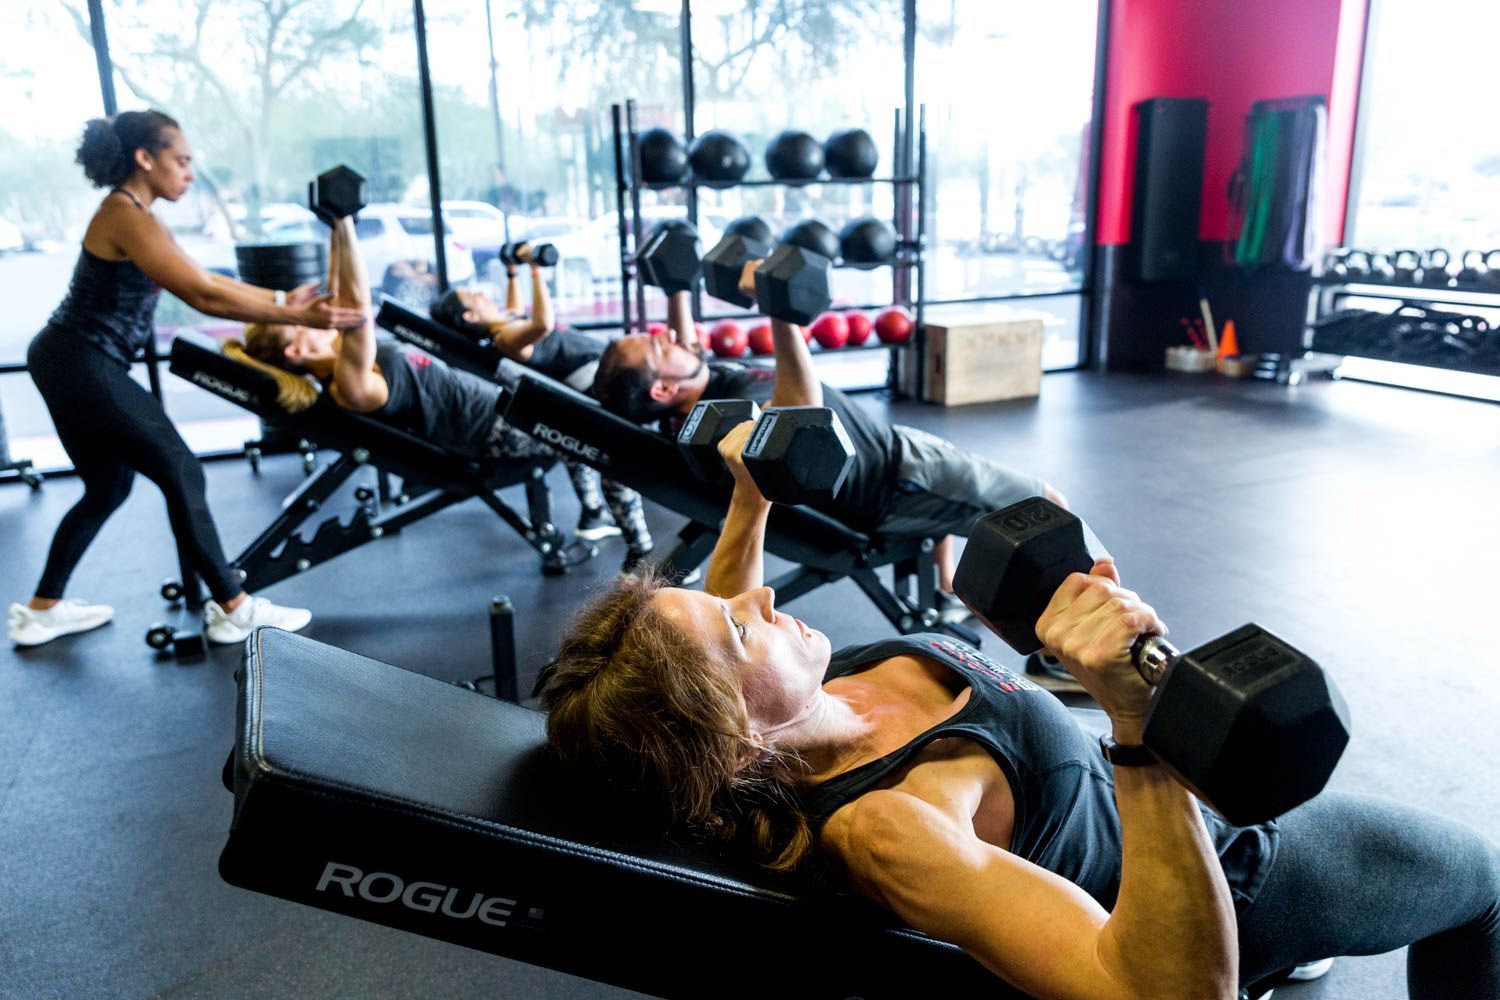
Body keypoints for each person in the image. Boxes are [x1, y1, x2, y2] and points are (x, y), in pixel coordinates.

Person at [541, 380, 1500, 1000]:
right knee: (1488, 887)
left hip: (1156, 811)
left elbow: (714, 617)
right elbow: (1163, 995)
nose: (756, 596)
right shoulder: (894, 829)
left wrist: (750, 497)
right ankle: (1282, 945)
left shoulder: (789, 708)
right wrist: (1135, 724)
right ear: (732, 733)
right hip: (1220, 880)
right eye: (741, 625)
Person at [8, 110, 363, 649]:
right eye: (181, 161)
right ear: (144, 159)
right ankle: (233, 608)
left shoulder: (139, 214)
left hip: (70, 359)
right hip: (81, 359)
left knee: (108, 487)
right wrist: (298, 317)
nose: (190, 173)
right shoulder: (123, 213)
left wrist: (278, 300)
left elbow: (205, 279)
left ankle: (40, 611)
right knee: (179, 467)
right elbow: (202, 295)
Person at [590, 287, 1074, 681]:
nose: (669, 338)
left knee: (983, 518)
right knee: (1046, 509)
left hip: (891, 449)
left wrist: (676, 284)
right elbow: (799, 415)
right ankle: (1064, 657)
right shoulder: (722, 427)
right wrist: (781, 311)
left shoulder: (695, 397)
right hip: (895, 480)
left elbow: (686, 345)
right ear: (663, 390)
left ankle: (950, 587)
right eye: (659, 347)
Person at [430, 257, 658, 576]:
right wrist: (537, 269)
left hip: (596, 374)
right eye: (474, 297)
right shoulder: (507, 338)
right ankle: (641, 552)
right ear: (470, 316)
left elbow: (515, 310)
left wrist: (514, 271)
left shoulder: (506, 324)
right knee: (610, 457)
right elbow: (542, 324)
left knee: (580, 449)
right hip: (596, 382)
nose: (482, 294)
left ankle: (593, 513)